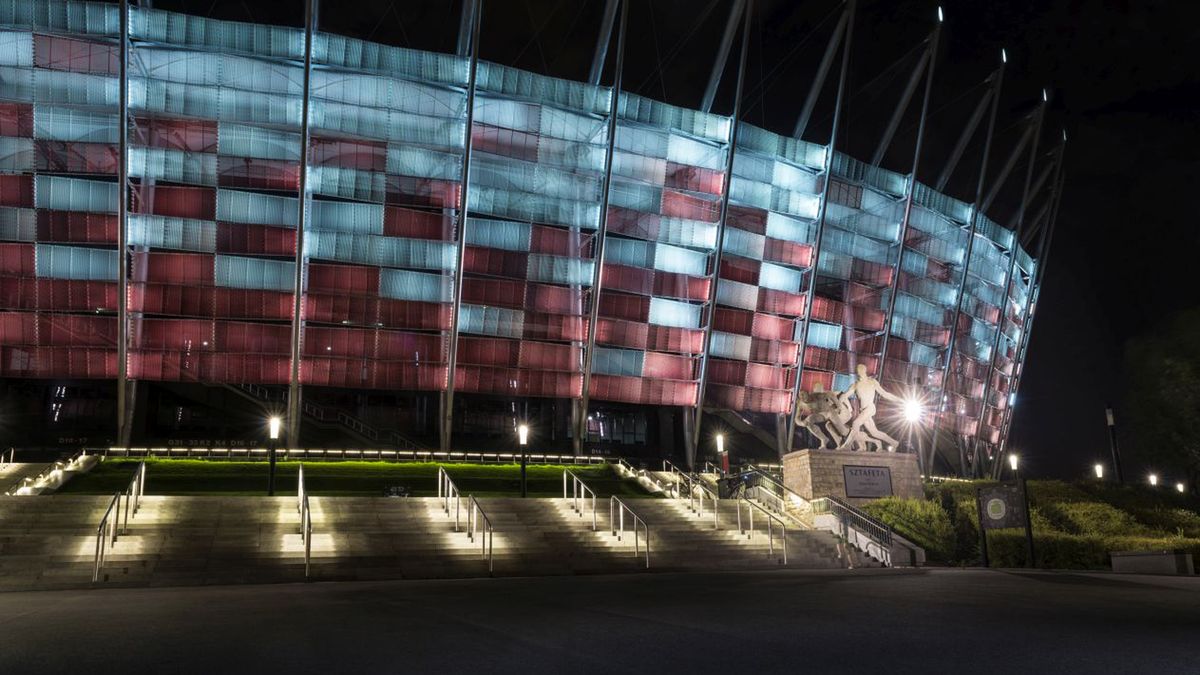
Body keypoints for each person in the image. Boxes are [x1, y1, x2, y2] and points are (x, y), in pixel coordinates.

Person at [838, 363, 902, 452]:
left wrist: (899, 400)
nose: (859, 371)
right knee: (874, 432)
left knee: (856, 423)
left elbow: (885, 394)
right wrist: (841, 402)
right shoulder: (855, 385)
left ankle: (847, 445)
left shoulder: (872, 382)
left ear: (865, 370)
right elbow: (845, 395)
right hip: (863, 411)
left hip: (870, 408)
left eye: (861, 369)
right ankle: (894, 443)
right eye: (858, 370)